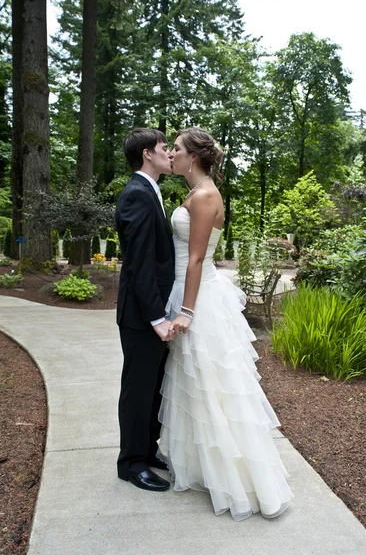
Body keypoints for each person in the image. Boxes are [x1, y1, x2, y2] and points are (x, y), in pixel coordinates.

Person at [158, 127, 294, 520]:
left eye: (178, 150)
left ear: (194, 157)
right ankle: (206, 467)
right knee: (197, 384)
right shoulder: (197, 190)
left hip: (199, 297)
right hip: (189, 289)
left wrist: (186, 312)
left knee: (213, 383)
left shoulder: (204, 195)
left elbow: (198, 259)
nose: (173, 155)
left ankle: (240, 481)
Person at [115, 128, 175, 492]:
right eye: (166, 148)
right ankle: (131, 463)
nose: (171, 154)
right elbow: (139, 264)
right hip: (140, 317)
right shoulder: (136, 194)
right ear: (148, 154)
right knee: (138, 390)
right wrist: (156, 318)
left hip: (153, 312)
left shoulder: (151, 192)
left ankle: (147, 450)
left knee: (153, 387)